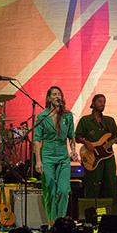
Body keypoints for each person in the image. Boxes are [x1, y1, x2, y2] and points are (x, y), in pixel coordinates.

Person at [33, 85, 77, 225]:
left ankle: (61, 221)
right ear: (48, 98)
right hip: (47, 156)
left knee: (64, 190)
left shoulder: (67, 116)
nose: (58, 96)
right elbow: (36, 140)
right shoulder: (42, 116)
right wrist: (38, 161)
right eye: (54, 94)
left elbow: (71, 136)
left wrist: (73, 150)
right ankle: (52, 223)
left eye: (59, 94)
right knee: (50, 191)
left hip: (63, 157)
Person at [74, 94, 117, 199]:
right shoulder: (85, 120)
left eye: (104, 102)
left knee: (110, 185)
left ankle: (109, 208)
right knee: (92, 185)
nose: (102, 104)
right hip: (92, 157)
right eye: (99, 101)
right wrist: (86, 142)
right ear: (93, 103)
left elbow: (115, 137)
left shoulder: (109, 121)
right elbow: (77, 137)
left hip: (108, 158)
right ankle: (91, 208)